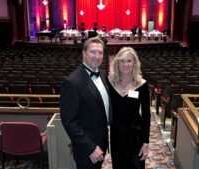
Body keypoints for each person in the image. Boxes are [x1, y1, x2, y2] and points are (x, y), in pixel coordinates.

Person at [60, 37, 111, 169]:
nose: (97, 56)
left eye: (100, 52)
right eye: (93, 52)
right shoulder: (72, 82)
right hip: (87, 149)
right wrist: (90, 147)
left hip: (102, 141)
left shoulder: (103, 74)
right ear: (84, 53)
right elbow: (69, 121)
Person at [108, 47, 150, 169]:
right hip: (116, 135)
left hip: (135, 135)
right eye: (122, 61)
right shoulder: (110, 82)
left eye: (129, 61)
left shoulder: (142, 85)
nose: (125, 64)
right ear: (117, 62)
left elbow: (146, 115)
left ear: (134, 63)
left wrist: (146, 142)